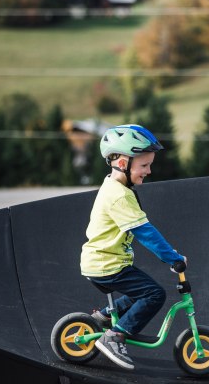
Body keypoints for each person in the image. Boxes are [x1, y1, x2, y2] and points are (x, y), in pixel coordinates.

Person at [80, 124, 187, 370]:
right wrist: (172, 258)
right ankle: (115, 336)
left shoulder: (115, 186)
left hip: (101, 262)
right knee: (154, 294)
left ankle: (104, 316)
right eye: (144, 165)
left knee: (138, 292)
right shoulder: (119, 195)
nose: (148, 171)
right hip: (107, 265)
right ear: (121, 163)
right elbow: (145, 233)